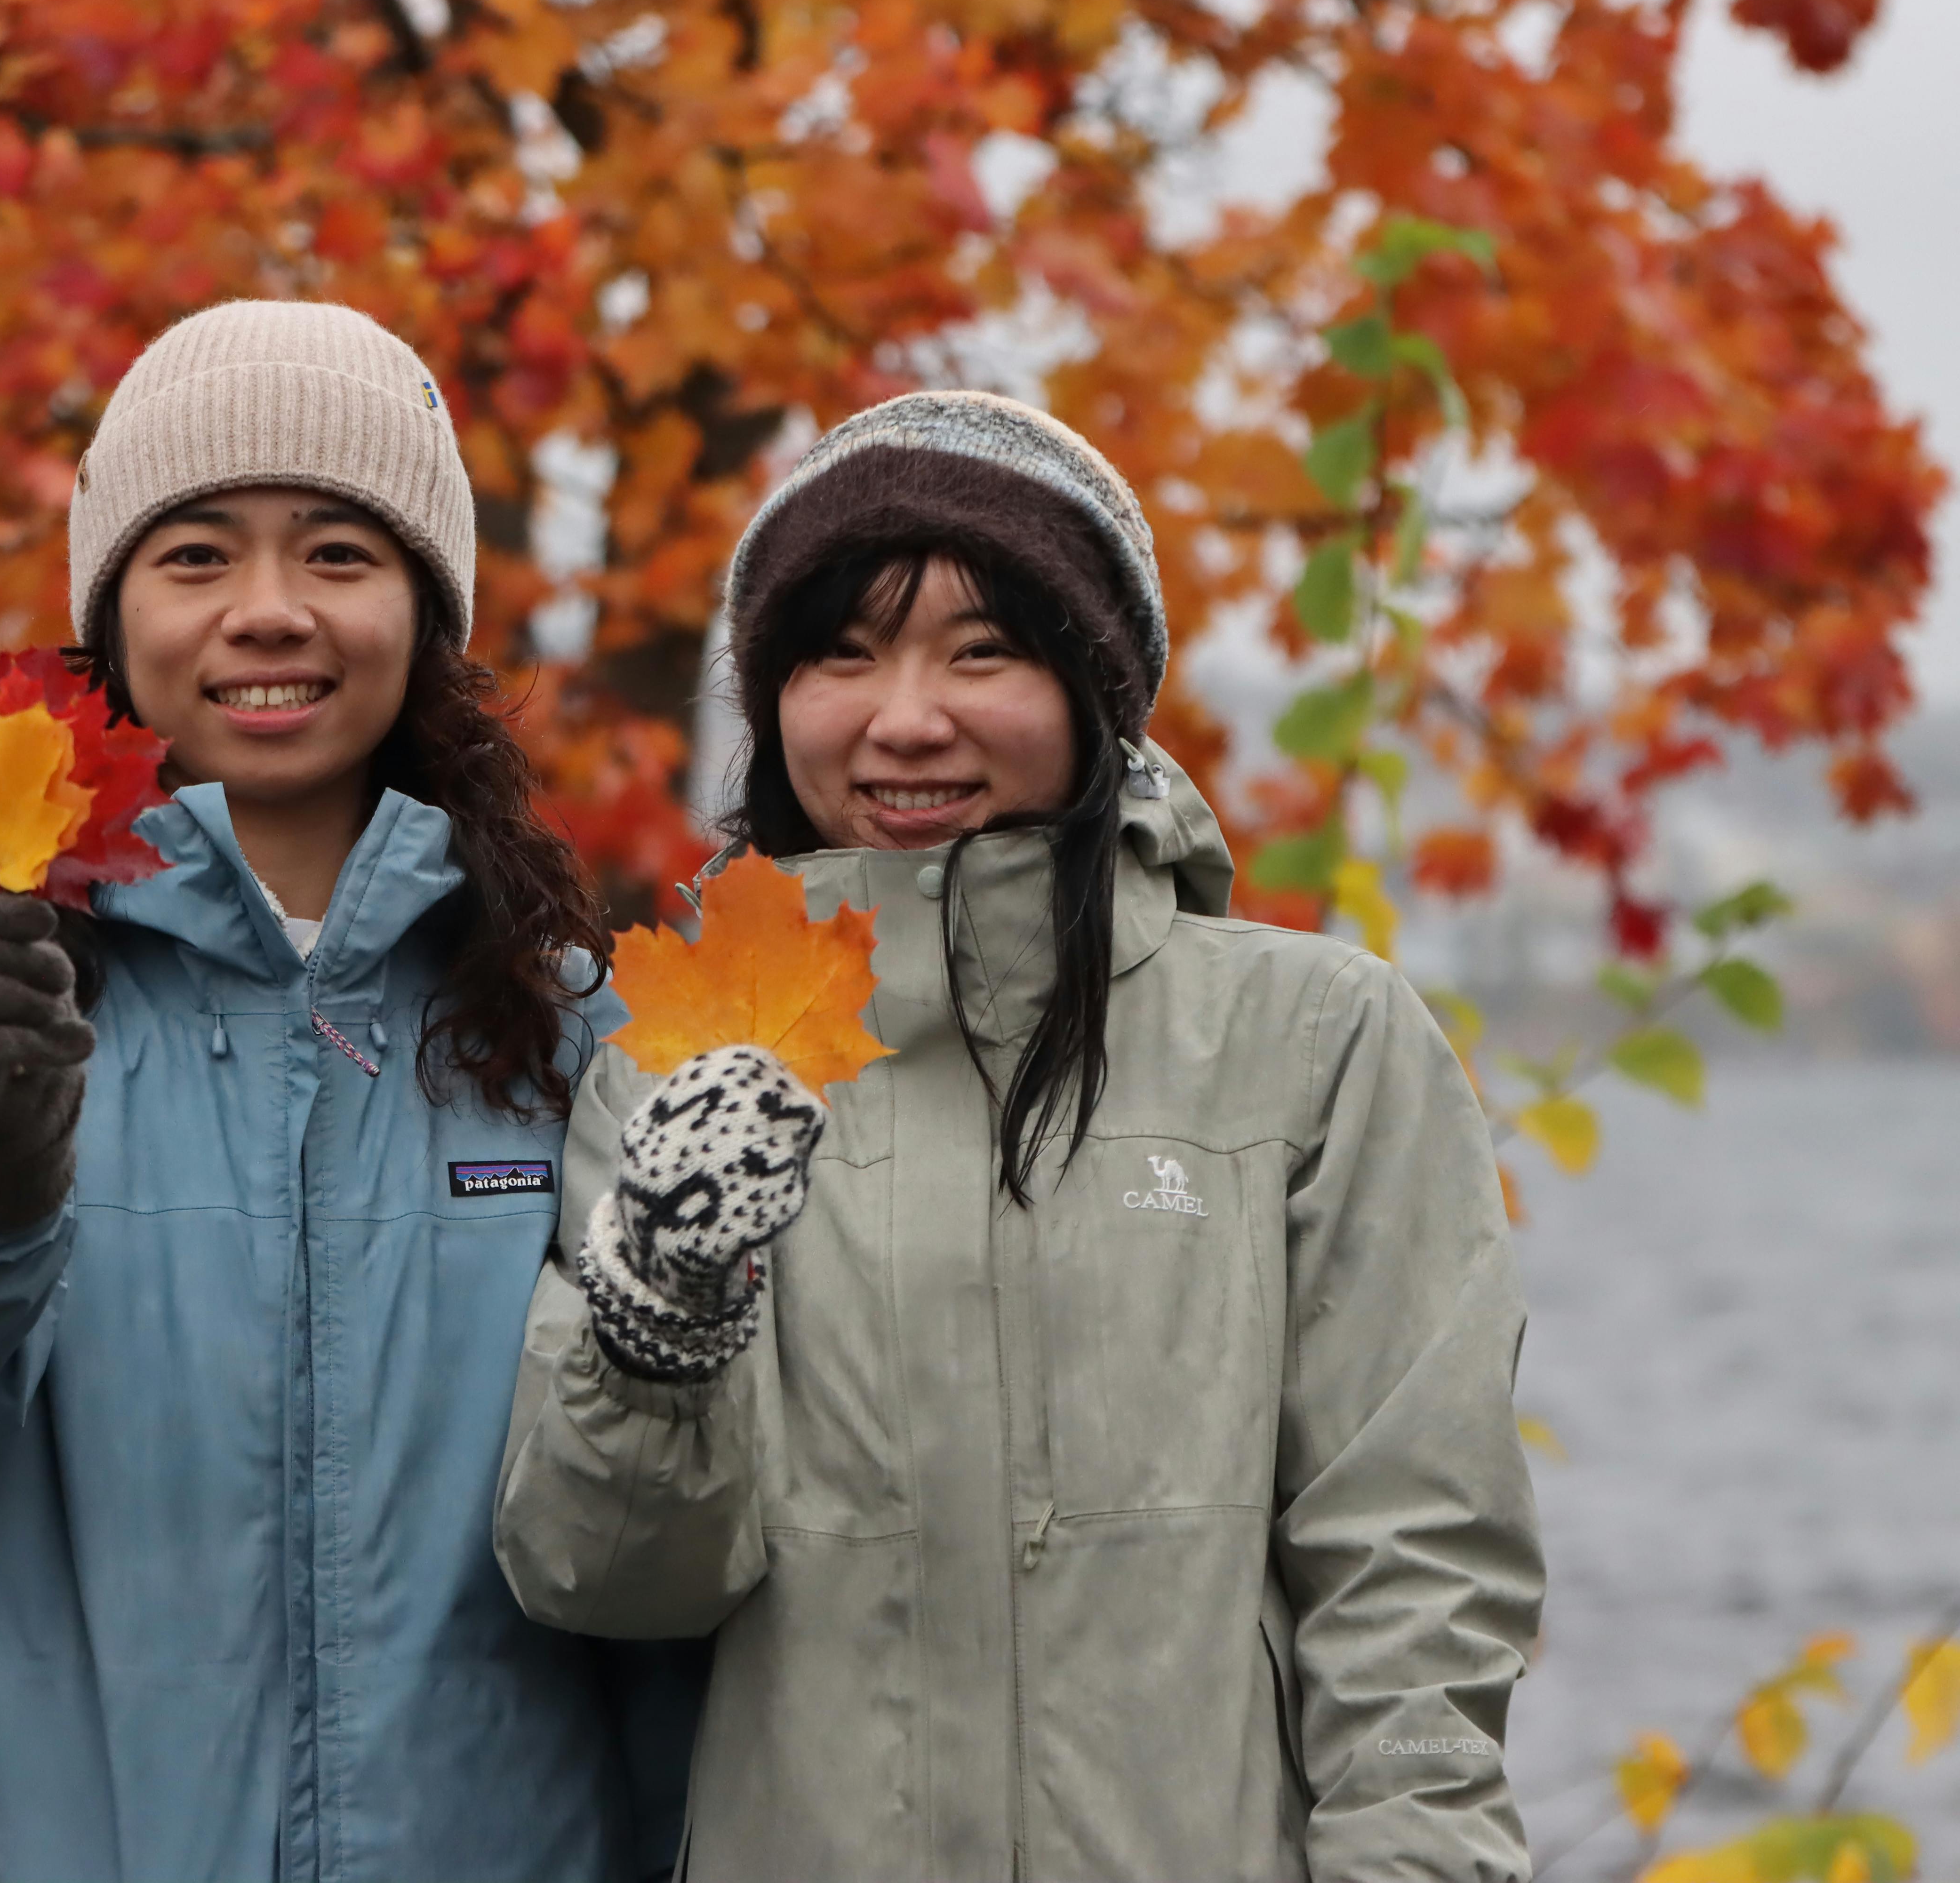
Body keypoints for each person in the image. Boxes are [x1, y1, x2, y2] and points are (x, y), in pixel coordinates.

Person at [493, 391, 1544, 1882]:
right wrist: (658, 1331)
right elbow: (612, 1587)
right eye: (840, 656)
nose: (905, 717)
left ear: (1098, 692)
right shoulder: (676, 1074)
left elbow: (1415, 1572)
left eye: (983, 651)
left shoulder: (1315, 1044)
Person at [0, 302, 698, 1882]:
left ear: (426, 609)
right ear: (112, 616)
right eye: (196, 556)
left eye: (339, 553)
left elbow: (652, 1533)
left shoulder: (560, 1026)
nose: (269, 613)